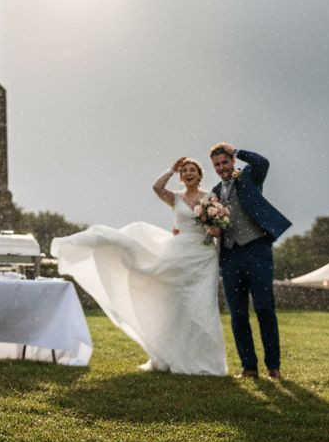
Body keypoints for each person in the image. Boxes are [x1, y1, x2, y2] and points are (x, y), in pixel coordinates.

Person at [52, 157, 227, 376]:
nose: (188, 173)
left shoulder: (211, 198)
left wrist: (215, 231)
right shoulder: (176, 198)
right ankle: (170, 356)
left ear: (200, 175)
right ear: (181, 177)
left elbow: (220, 226)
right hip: (179, 253)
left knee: (202, 306)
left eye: (192, 170)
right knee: (175, 305)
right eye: (184, 171)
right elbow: (157, 187)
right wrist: (171, 169)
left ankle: (207, 361)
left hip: (203, 256)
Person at [209, 143, 291, 380]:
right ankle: (249, 367)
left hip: (257, 251)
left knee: (265, 308)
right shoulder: (214, 192)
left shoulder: (248, 177)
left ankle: (273, 367)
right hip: (230, 256)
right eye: (217, 164)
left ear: (232, 162)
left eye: (225, 162)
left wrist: (237, 150)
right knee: (237, 314)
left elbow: (262, 162)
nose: (222, 167)